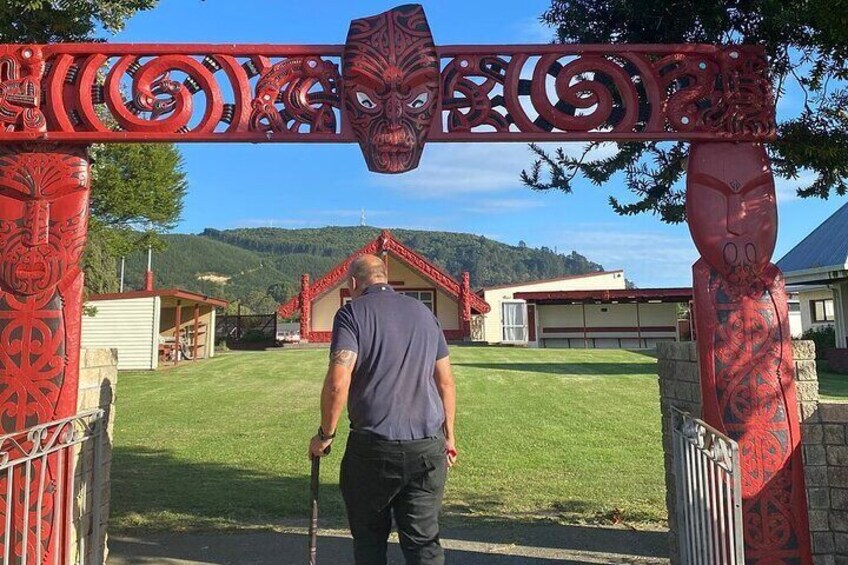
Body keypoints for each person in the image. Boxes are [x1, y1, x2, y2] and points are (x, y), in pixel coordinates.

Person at [308, 254, 457, 565]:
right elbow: (446, 383)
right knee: (423, 542)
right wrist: (450, 438)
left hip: (373, 448)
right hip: (428, 446)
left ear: (352, 284)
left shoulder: (351, 314)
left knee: (370, 541)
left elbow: (338, 382)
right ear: (385, 277)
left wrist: (326, 435)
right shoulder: (424, 313)